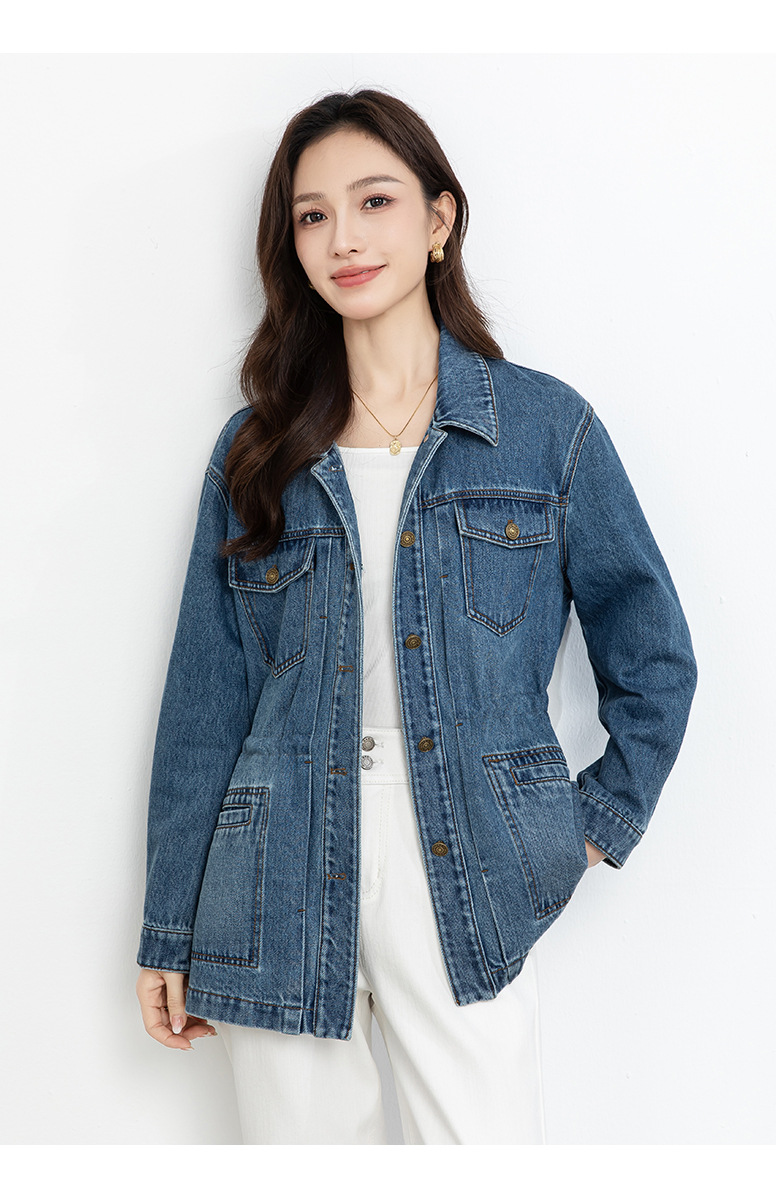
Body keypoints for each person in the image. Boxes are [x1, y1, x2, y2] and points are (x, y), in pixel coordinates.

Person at [135, 88, 697, 1145]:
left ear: (440, 219)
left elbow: (655, 656)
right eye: (312, 215)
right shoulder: (258, 451)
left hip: (471, 855)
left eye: (375, 201)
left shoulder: (545, 430)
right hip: (276, 866)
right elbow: (206, 703)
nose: (343, 238)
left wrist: (582, 829)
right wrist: (169, 921)